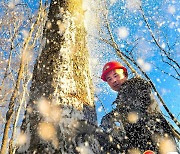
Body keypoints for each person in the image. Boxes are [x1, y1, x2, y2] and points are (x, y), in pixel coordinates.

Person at [100, 61, 178, 154]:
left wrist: (111, 117)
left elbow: (136, 108)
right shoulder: (122, 100)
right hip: (144, 145)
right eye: (109, 79)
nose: (113, 80)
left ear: (125, 75)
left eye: (116, 75)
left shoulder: (136, 84)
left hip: (158, 140)